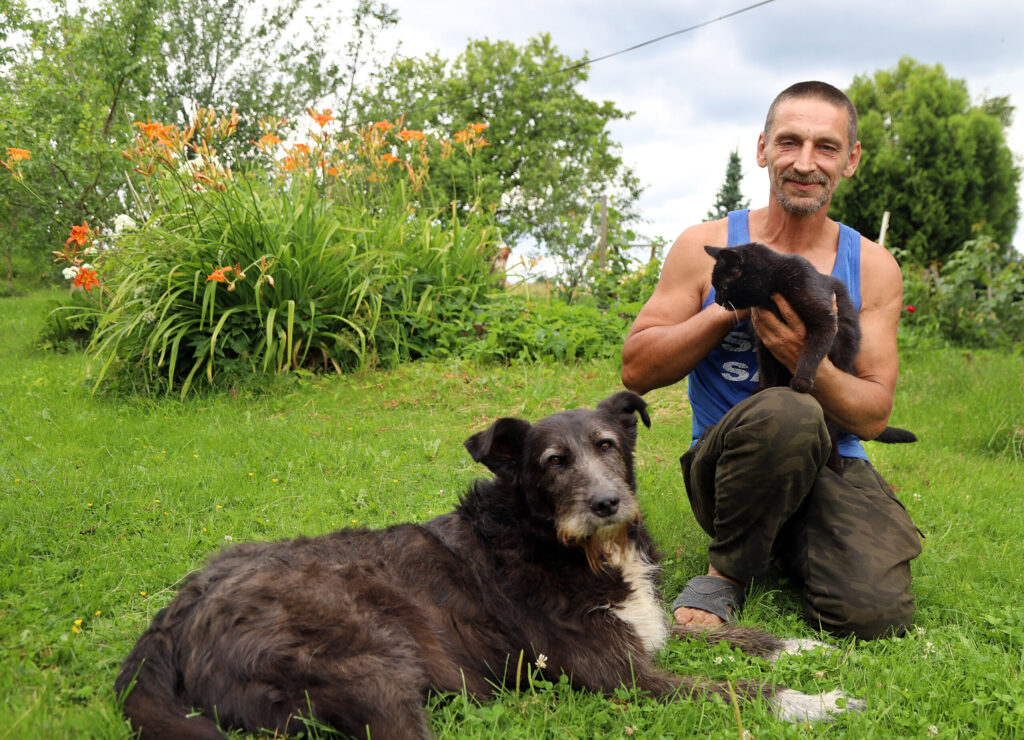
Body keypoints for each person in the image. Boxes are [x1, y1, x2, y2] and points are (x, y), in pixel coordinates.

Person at [621, 81, 922, 640]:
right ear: (762, 149)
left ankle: (789, 542)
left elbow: (874, 414)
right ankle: (726, 575)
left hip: (833, 461)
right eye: (789, 142)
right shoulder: (707, 245)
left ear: (851, 160)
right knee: (787, 411)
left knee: (873, 614)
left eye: (826, 147)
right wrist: (729, 309)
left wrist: (806, 360)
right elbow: (636, 368)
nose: (805, 163)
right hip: (729, 466)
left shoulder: (873, 266)